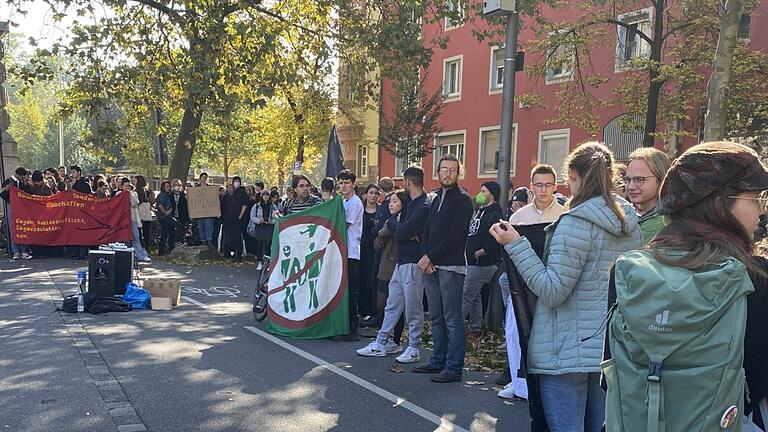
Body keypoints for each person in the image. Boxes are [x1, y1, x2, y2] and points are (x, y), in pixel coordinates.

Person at [604, 141, 768, 431]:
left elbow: (611, 375)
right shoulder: (756, 278)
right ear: (720, 203)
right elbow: (758, 382)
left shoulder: (629, 270)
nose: (761, 210)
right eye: (755, 198)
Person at [490, 142, 641, 431]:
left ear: (572, 175)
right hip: (608, 348)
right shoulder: (629, 222)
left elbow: (553, 291)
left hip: (565, 350)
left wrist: (516, 245)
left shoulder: (576, 222)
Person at [497, 164, 565, 396]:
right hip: (522, 286)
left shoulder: (565, 215)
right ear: (531, 186)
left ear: (555, 187)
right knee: (516, 332)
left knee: (547, 338)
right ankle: (519, 383)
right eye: (539, 185)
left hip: (552, 286)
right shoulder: (519, 217)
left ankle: (545, 385)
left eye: (548, 185)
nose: (543, 190)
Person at [357, 167, 430, 361]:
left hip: (413, 263)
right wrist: (400, 227)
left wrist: (398, 226)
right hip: (401, 260)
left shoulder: (423, 206)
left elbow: (401, 232)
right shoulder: (412, 205)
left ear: (407, 182)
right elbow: (402, 231)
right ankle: (381, 342)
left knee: (413, 308)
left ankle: (413, 347)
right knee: (392, 304)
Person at [413, 154, 474, 383]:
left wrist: (429, 256)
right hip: (431, 266)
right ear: (437, 172)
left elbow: (455, 236)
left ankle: (454, 367)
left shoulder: (463, 200)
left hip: (451, 267)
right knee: (436, 317)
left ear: (459, 173)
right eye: (443, 169)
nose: (447, 174)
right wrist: (424, 257)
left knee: (452, 319)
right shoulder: (436, 198)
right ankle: (437, 360)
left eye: (452, 170)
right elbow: (427, 231)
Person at [461, 181, 503, 335]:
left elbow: (495, 238)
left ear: (492, 195)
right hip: (472, 262)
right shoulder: (480, 211)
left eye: (484, 191)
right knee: (475, 295)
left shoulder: (495, 214)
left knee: (466, 295)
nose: (480, 194)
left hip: (482, 263)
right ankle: (475, 327)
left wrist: (482, 251)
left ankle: (454, 328)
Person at [331, 169, 365, 342]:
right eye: (341, 183)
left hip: (351, 251)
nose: (343, 186)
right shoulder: (343, 202)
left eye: (346, 183)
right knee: (343, 290)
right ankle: (343, 325)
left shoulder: (355, 203)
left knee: (351, 291)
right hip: (342, 251)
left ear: (353, 184)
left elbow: (342, 225)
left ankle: (353, 328)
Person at [624, 147, 672, 243]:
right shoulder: (626, 213)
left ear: (661, 179)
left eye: (639, 180)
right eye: (628, 180)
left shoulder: (663, 222)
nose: (631, 186)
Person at [358, 184, 381, 317]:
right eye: (371, 192)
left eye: (376, 193)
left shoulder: (380, 210)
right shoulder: (360, 209)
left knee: (371, 278)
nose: (373, 195)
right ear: (366, 194)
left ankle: (371, 310)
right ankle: (360, 308)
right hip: (360, 247)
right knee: (360, 277)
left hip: (374, 248)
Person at [1, 167, 32, 260]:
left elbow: (28, 194)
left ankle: (23, 250)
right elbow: (3, 196)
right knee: (12, 229)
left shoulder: (23, 183)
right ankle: (16, 251)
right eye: (23, 176)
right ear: (19, 175)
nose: (23, 178)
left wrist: (26, 184)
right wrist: (7, 189)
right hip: (11, 208)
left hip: (22, 210)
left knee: (22, 228)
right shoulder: (8, 182)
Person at [119, 178, 151, 262]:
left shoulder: (134, 194)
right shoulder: (118, 194)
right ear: (122, 186)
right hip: (122, 219)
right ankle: (125, 255)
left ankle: (140, 255)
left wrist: (129, 194)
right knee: (124, 238)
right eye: (125, 186)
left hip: (132, 218)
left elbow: (134, 203)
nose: (127, 188)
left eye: (128, 186)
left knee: (136, 236)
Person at [249, 190, 277, 270]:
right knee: (259, 246)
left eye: (267, 195)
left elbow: (277, 216)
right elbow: (252, 216)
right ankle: (259, 262)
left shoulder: (273, 206)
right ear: (261, 196)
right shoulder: (256, 206)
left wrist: (271, 221)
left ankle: (268, 263)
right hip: (260, 227)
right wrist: (259, 220)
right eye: (264, 195)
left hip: (268, 227)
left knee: (268, 246)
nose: (266, 196)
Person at [194, 172, 217, 250]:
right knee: (201, 226)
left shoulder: (210, 188)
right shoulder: (196, 188)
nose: (204, 179)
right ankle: (203, 241)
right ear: (200, 178)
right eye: (203, 177)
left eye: (205, 177)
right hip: (199, 212)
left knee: (209, 225)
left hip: (208, 211)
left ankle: (209, 241)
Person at [156, 181, 177, 256]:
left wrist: (170, 210)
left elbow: (171, 206)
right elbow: (160, 205)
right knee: (164, 234)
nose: (168, 188)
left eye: (169, 187)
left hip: (169, 216)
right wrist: (165, 212)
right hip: (163, 217)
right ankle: (161, 252)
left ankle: (171, 250)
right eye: (167, 187)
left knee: (171, 233)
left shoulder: (169, 196)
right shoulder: (161, 195)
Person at [133, 175, 154, 248]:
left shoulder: (138, 190)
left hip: (141, 210)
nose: (134, 182)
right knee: (146, 229)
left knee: (140, 228)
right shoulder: (146, 189)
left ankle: (142, 245)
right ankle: (146, 243)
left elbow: (140, 200)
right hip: (147, 210)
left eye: (135, 180)